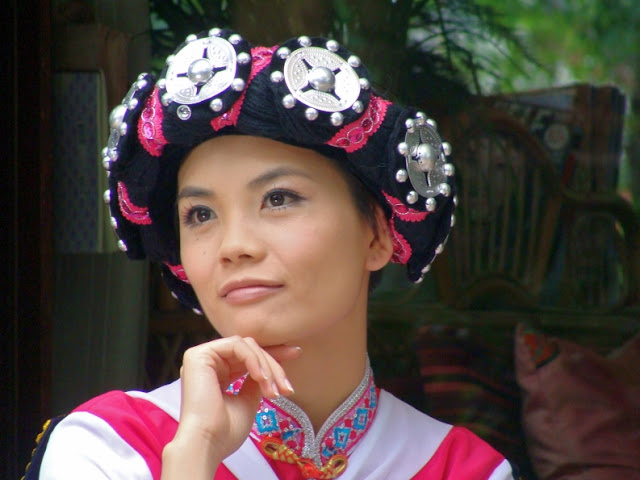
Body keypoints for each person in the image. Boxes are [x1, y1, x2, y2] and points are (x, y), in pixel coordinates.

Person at [28, 27, 517, 480]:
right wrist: (194, 454)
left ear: (376, 234)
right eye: (200, 214)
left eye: (278, 198)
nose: (234, 246)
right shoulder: (110, 448)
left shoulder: (463, 469)